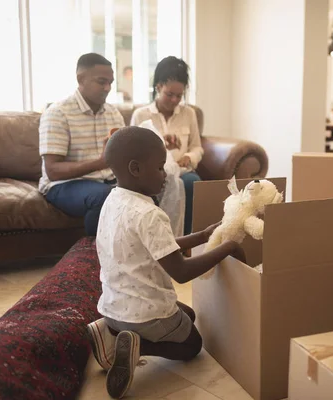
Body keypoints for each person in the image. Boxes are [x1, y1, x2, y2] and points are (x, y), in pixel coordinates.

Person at [86, 126, 245, 399]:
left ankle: (110, 331)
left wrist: (203, 236)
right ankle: (137, 346)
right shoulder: (150, 213)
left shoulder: (113, 200)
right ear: (135, 168)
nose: (166, 174)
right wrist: (227, 248)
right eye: (160, 167)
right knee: (192, 346)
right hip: (144, 314)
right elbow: (181, 272)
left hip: (113, 307)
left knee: (189, 316)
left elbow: (159, 248)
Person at [38, 53, 125, 236]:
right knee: (103, 196)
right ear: (81, 79)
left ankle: (138, 259)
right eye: (102, 82)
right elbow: (53, 171)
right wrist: (100, 163)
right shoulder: (58, 113)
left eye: (111, 82)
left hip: (106, 180)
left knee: (145, 193)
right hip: (64, 184)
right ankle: (93, 261)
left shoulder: (113, 113)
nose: (108, 88)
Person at [130, 56, 203, 235]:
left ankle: (187, 241)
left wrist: (189, 157)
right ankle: (156, 240)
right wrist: (161, 144)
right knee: (158, 186)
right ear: (158, 87)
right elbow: (131, 151)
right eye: (169, 94)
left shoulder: (189, 114)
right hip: (152, 173)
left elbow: (197, 147)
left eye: (179, 95)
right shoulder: (141, 115)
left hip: (182, 171)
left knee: (192, 182)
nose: (174, 100)